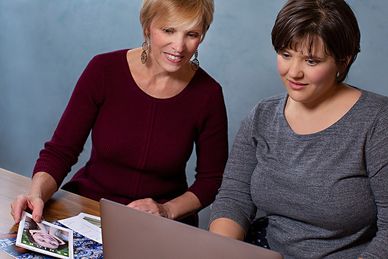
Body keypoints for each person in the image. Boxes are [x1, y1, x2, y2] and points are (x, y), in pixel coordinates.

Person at [11, 0, 228, 227]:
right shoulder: (103, 70)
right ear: (147, 27)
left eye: (191, 34)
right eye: (168, 30)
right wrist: (36, 194)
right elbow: (60, 151)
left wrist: (166, 210)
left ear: (202, 36)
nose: (179, 46)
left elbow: (212, 180)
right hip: (88, 206)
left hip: (158, 223)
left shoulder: (209, 95)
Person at [209, 0, 388, 258]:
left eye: (311, 61)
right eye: (285, 54)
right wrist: (221, 252)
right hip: (266, 249)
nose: (294, 72)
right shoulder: (262, 115)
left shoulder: (378, 121)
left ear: (343, 61)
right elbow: (234, 198)